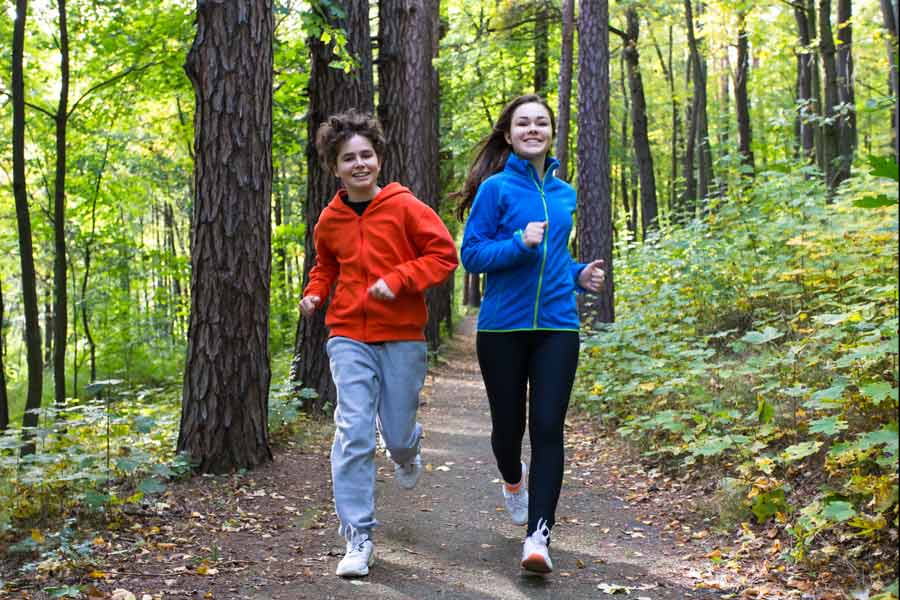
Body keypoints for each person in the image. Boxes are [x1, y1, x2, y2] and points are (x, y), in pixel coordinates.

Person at [300, 109, 458, 578]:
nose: (360, 163)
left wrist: (401, 279)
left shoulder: (406, 207)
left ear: (379, 159)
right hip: (348, 332)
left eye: (367, 154)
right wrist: (314, 293)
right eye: (349, 158)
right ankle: (359, 536)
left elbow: (443, 255)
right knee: (353, 429)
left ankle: (407, 449)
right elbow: (326, 265)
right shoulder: (329, 221)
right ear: (335, 168)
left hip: (403, 335)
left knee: (396, 428)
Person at [457, 94, 605, 574]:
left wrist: (580, 274)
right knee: (507, 432)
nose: (533, 129)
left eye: (541, 122)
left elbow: (555, 259)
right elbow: (473, 255)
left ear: (551, 133)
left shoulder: (565, 193)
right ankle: (512, 479)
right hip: (502, 327)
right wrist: (520, 244)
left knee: (547, 428)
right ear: (509, 134)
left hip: (558, 325)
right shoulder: (495, 190)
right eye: (524, 123)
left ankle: (538, 536)